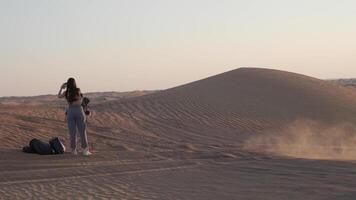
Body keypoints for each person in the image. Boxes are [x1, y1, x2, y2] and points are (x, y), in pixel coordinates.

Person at [58, 78, 92, 156]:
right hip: (79, 110)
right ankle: (85, 150)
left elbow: (59, 96)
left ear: (67, 84)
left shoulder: (66, 92)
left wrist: (61, 87)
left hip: (70, 111)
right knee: (82, 131)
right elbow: (81, 100)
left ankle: (73, 150)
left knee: (72, 132)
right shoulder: (78, 90)